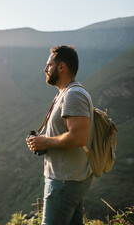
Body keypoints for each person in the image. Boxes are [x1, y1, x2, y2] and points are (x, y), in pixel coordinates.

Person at [26, 45, 93, 225]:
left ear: (61, 67)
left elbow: (78, 137)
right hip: (68, 179)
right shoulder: (64, 94)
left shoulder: (74, 95)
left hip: (65, 181)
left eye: (49, 65)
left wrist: (45, 142)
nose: (45, 69)